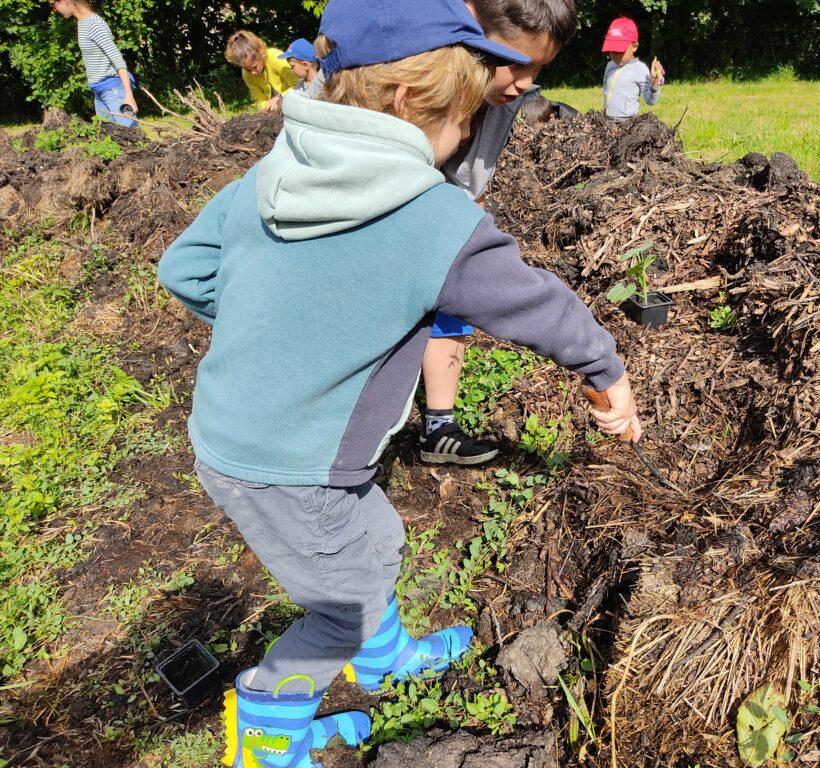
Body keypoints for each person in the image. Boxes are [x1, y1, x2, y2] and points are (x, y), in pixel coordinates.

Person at [158, 0, 640, 763]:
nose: (466, 137)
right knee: (341, 610)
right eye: (464, 119)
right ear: (412, 102)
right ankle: (268, 731)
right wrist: (606, 369)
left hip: (239, 433)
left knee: (376, 537)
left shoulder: (273, 171)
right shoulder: (431, 217)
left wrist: (274, 324)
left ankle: (383, 662)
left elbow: (183, 268)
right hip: (295, 463)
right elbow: (535, 304)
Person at [419, 0, 580, 468]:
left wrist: (465, 201)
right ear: (470, 24)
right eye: (516, 62)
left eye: (539, 68)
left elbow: (471, 169)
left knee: (449, 305)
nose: (527, 83)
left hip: (446, 202)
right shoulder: (425, 77)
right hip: (402, 203)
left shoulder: (501, 94)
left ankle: (438, 427)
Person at [48, 0, 138, 127]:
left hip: (113, 91)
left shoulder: (93, 24)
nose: (54, 10)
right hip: (99, 91)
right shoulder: (83, 22)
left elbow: (117, 58)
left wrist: (129, 96)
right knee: (108, 136)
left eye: (53, 4)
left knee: (130, 135)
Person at [601, 16, 664, 120]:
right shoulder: (610, 66)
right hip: (607, 121)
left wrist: (655, 81)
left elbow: (650, 101)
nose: (615, 55)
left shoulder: (640, 69)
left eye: (620, 51)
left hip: (629, 123)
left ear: (634, 46)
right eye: (612, 50)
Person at [225, 30, 297, 111]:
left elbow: (300, 86)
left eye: (254, 67)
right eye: (247, 69)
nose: (252, 73)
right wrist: (266, 106)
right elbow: (259, 99)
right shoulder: (246, 74)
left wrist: (280, 98)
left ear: (261, 53)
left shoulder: (276, 58)